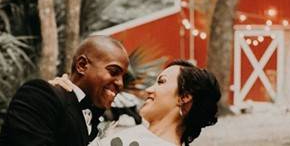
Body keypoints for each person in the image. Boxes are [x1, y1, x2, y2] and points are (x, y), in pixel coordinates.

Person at [0, 36, 129, 146]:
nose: (120, 83)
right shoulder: (40, 96)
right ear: (82, 65)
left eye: (123, 77)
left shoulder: (93, 118)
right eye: (114, 72)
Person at [53, 60, 220, 146]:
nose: (149, 90)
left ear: (184, 98)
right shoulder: (136, 134)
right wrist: (61, 99)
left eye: (161, 82)